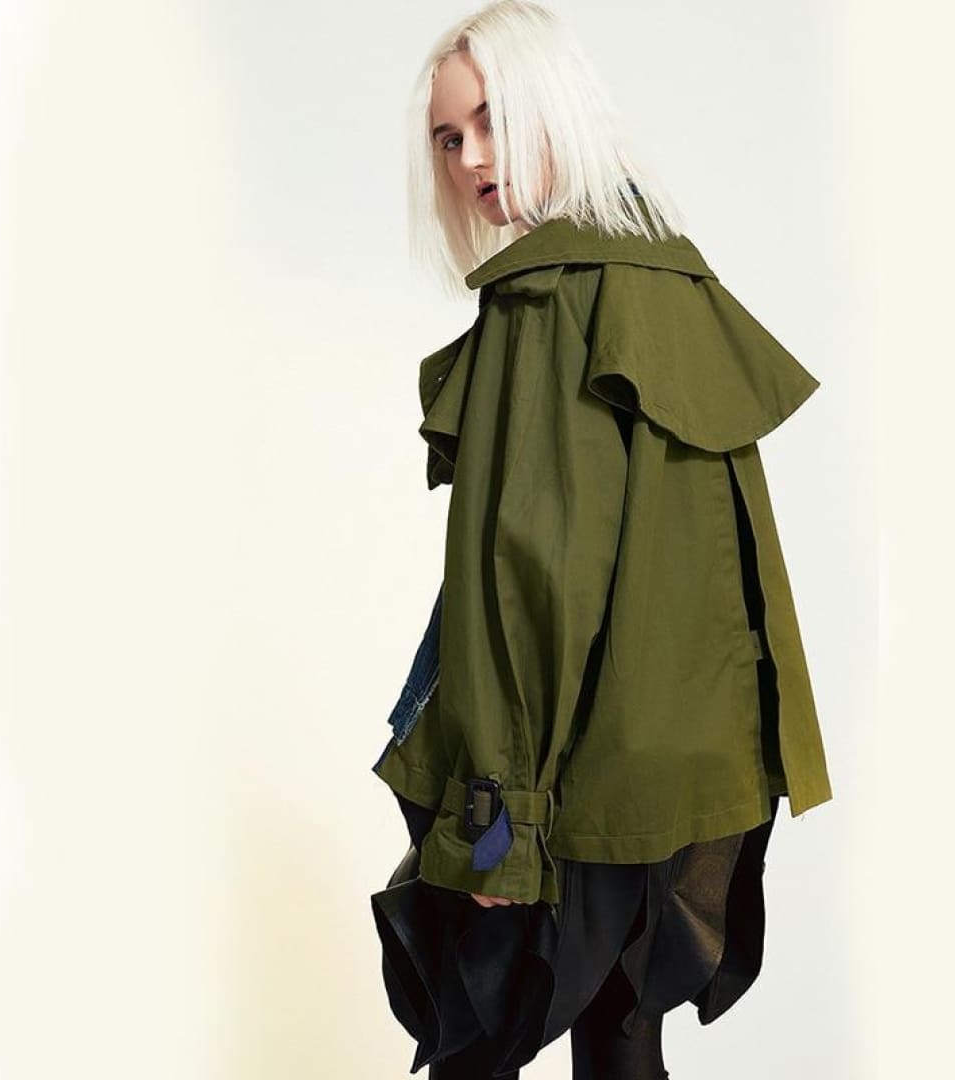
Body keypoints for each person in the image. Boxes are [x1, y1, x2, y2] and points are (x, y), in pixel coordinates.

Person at [369, 2, 833, 1077]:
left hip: (569, 780)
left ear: (553, 106)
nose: (470, 160)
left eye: (491, 119)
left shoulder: (548, 302)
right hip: (688, 784)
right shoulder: (673, 281)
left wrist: (495, 826)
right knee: (622, 1042)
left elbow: (533, 578)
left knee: (474, 1041)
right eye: (447, 137)